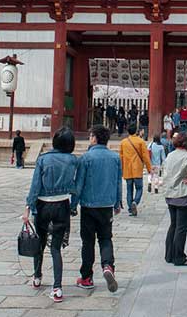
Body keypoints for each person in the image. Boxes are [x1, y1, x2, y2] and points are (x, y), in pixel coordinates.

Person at [22, 127, 78, 303]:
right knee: (55, 249)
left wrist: (28, 207)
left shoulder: (43, 159)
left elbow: (35, 185)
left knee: (39, 244)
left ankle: (37, 277)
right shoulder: (72, 160)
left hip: (43, 205)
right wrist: (74, 205)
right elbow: (76, 185)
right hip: (62, 204)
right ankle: (58, 288)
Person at [71, 125, 121, 293]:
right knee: (106, 238)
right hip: (106, 205)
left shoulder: (85, 158)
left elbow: (79, 184)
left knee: (88, 242)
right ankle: (108, 266)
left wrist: (73, 204)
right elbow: (117, 182)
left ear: (94, 138)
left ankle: (86, 277)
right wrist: (117, 203)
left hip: (88, 205)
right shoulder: (115, 158)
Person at [162, 132, 187, 266]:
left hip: (171, 195)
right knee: (182, 228)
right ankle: (179, 257)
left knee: (173, 225)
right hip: (184, 196)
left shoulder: (170, 155)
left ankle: (169, 255)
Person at [119, 124, 152, 216]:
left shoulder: (123, 142)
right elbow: (146, 157)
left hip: (127, 170)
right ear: (136, 131)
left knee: (129, 190)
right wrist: (149, 168)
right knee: (139, 188)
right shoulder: (140, 141)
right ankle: (135, 202)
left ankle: (130, 208)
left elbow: (121, 157)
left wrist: (121, 170)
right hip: (137, 169)